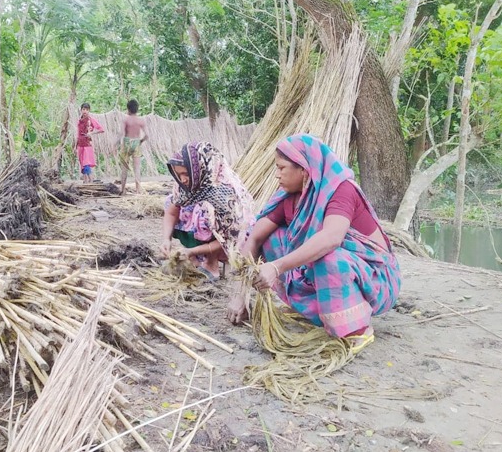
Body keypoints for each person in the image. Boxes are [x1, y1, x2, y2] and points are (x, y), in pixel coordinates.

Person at [228, 134, 400, 353]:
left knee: (327, 257)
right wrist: (239, 296)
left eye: (282, 168)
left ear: (304, 169)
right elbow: (254, 238)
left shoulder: (341, 190)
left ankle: (355, 329)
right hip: (338, 271)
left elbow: (331, 238)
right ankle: (316, 311)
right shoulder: (290, 197)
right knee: (272, 240)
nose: (276, 175)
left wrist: (276, 266)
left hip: (376, 279)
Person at [160, 141, 254, 281]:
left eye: (186, 174)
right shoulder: (184, 186)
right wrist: (165, 239)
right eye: (179, 175)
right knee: (176, 206)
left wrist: (192, 251)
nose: (182, 180)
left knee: (204, 216)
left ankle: (211, 262)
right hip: (212, 235)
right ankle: (197, 259)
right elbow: (171, 213)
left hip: (232, 240)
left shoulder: (225, 194)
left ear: (200, 168)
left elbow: (231, 238)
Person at [119, 99, 147, 195]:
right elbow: (147, 135)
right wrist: (140, 141)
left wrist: (116, 144)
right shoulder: (140, 120)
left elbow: (121, 134)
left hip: (127, 143)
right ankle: (138, 190)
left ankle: (122, 190)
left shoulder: (125, 120)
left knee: (124, 168)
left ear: (128, 109)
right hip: (136, 143)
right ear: (137, 109)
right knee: (137, 168)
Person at [76, 102, 104, 183]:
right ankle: (85, 181)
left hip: (87, 144)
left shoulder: (91, 120)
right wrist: (75, 146)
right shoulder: (79, 121)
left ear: (89, 111)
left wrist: (91, 133)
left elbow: (101, 129)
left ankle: (91, 180)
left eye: (87, 109)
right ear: (81, 110)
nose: (85, 111)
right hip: (80, 144)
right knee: (82, 164)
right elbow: (78, 134)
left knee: (86, 163)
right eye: (83, 109)